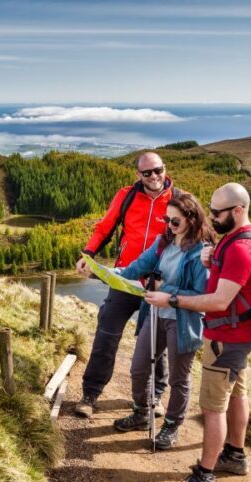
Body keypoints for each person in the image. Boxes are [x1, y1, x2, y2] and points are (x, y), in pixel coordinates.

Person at [145, 183, 251, 482]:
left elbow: (218, 302)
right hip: (238, 338)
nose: (211, 218)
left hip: (226, 341)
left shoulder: (241, 248)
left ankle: (205, 478)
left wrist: (171, 300)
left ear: (238, 210)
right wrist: (213, 264)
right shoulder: (240, 241)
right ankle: (235, 456)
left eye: (217, 212)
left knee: (212, 409)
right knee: (237, 395)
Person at [74, 152, 179, 417]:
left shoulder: (178, 200)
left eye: (158, 170)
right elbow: (105, 227)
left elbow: (193, 238)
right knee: (107, 333)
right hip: (126, 277)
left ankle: (153, 398)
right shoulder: (127, 196)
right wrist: (88, 255)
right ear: (138, 175)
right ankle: (91, 393)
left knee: (156, 343)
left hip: (158, 284)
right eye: (147, 173)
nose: (154, 176)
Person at [111, 193, 213, 449]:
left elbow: (201, 294)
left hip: (183, 321)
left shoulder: (201, 253)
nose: (169, 225)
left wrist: (167, 291)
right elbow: (134, 269)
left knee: (179, 378)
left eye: (175, 221)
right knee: (139, 367)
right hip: (155, 315)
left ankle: (171, 425)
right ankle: (142, 412)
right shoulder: (162, 242)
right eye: (166, 219)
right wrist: (100, 272)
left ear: (191, 218)